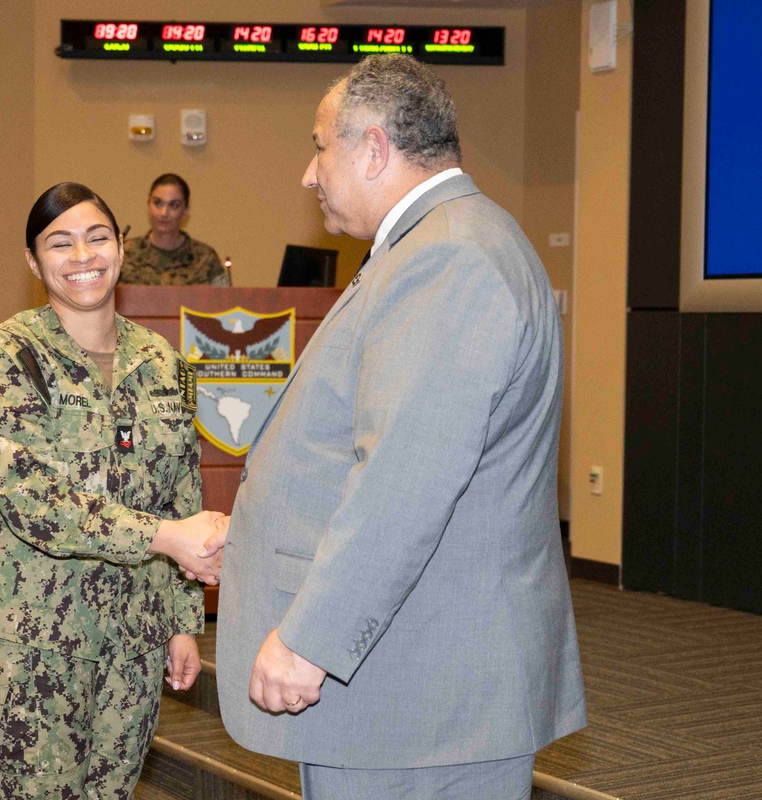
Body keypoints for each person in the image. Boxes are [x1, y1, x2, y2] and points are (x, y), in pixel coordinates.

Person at [208, 55, 587, 800]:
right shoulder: (445, 242)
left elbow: (403, 481)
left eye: (320, 146)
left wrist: (311, 638)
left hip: (421, 697)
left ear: (374, 149)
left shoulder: (446, 258)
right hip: (414, 685)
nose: (308, 175)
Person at [0, 182, 224, 800]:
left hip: (135, 634)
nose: (83, 256)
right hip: (31, 636)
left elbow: (182, 487)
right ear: (33, 261)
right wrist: (165, 538)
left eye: (97, 237)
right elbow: (35, 502)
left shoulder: (165, 363)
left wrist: (182, 620)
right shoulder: (6, 356)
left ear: (121, 247)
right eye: (60, 243)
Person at [120, 173, 231, 286]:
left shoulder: (205, 258)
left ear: (186, 211)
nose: (164, 213)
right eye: (158, 203)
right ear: (148, 206)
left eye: (174, 205)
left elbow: (225, 301)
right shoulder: (125, 254)